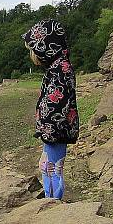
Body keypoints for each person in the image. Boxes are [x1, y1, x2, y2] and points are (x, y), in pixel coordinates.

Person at [21, 19, 79, 200]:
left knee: (52, 167)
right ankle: (51, 198)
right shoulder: (57, 67)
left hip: (56, 131)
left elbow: (57, 105)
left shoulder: (60, 70)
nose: (32, 55)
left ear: (46, 47)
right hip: (55, 131)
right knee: (48, 165)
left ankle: (53, 201)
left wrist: (47, 131)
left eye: (34, 50)